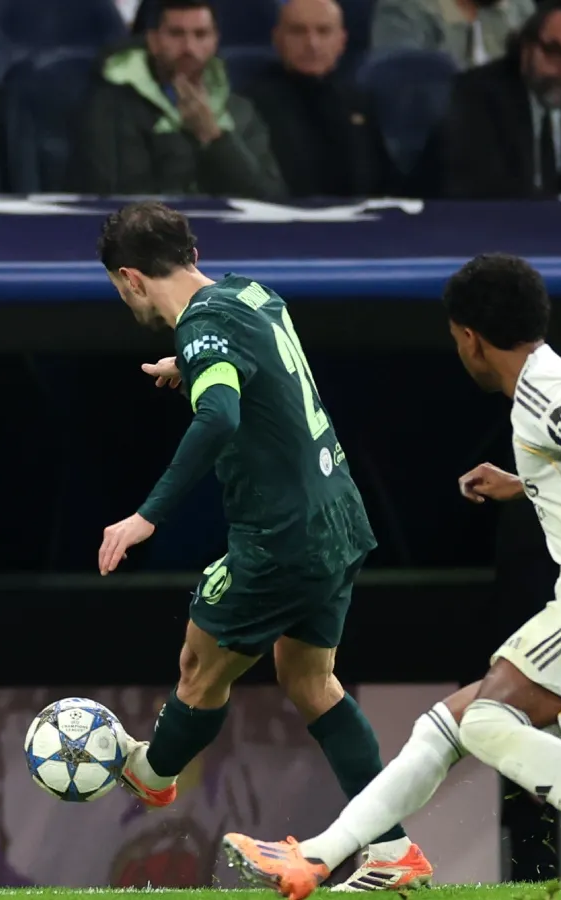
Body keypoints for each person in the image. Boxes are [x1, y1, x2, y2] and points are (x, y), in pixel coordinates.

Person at [221, 252, 561, 900]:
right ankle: (345, 857)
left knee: (486, 718)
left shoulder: (545, 391)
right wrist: (525, 481)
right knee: (445, 725)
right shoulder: (553, 381)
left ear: (469, 337)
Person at [93, 201, 433, 892]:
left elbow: (220, 416)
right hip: (338, 514)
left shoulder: (203, 326)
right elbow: (259, 368)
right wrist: (192, 365)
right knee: (309, 680)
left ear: (130, 278)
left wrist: (147, 515)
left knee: (199, 664)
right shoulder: (250, 293)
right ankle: (392, 850)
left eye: (120, 290)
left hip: (282, 537)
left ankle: (153, 773)